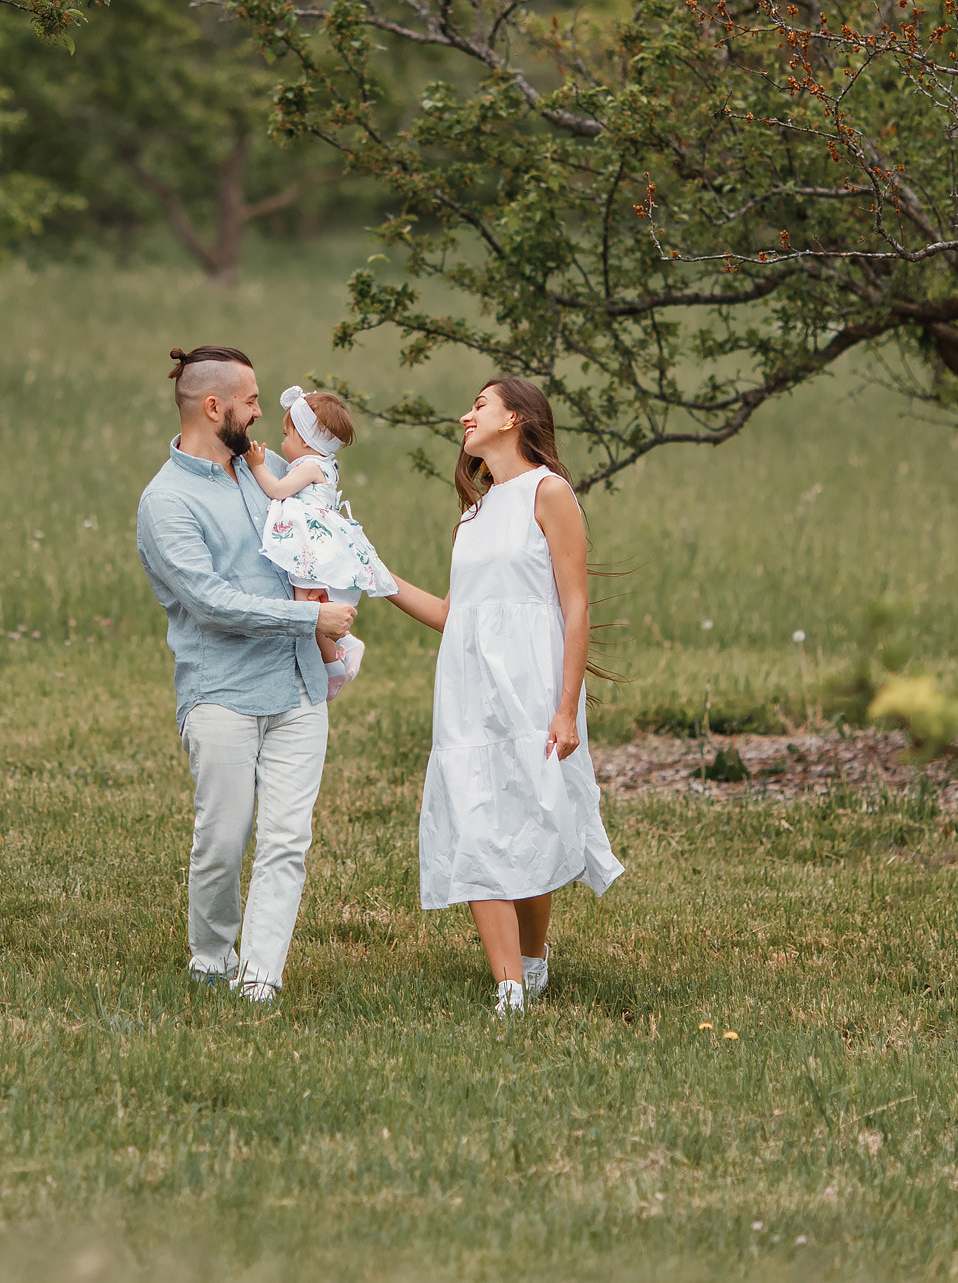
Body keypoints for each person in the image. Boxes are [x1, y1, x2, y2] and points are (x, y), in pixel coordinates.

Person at [379, 377, 625, 1014]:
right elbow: (454, 613)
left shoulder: (549, 493)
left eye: (479, 406)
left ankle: (534, 963)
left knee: (531, 819)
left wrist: (566, 707)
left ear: (513, 418)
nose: (466, 415)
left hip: (532, 684)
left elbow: (574, 606)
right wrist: (376, 575)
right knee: (478, 822)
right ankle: (508, 986)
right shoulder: (472, 515)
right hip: (468, 688)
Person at [135, 346, 358, 1004]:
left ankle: (261, 975)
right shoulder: (165, 501)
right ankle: (211, 960)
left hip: (298, 687)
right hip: (222, 691)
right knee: (224, 837)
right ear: (214, 406)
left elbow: (322, 542)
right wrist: (305, 619)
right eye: (252, 400)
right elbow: (209, 602)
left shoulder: (274, 473)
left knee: (287, 839)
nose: (263, 412)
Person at [244, 385, 398, 700]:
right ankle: (336, 660)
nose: (283, 443)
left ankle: (339, 655)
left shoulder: (310, 466)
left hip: (311, 545)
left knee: (306, 607)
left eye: (287, 436)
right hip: (317, 541)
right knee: (312, 605)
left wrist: (257, 465)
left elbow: (277, 490)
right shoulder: (324, 464)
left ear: (304, 440)